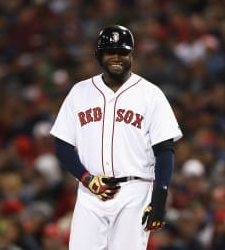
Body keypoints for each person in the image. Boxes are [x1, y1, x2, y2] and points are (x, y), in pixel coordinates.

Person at [50, 25, 183, 249]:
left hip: (135, 192)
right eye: (110, 51)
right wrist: (86, 179)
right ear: (99, 56)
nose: (117, 57)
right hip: (91, 193)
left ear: (132, 55)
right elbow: (62, 145)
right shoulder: (79, 92)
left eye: (123, 52)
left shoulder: (150, 94)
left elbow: (164, 149)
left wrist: (159, 199)